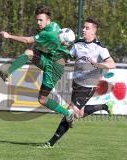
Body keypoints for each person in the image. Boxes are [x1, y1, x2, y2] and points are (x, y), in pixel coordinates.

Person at [40, 17, 116, 148]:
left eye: (87, 28)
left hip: (88, 86)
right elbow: (68, 58)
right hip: (76, 83)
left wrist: (97, 64)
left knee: (70, 113)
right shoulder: (77, 44)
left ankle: (50, 143)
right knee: (79, 113)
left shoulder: (100, 48)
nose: (84, 29)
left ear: (94, 31)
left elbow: (112, 64)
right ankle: (105, 106)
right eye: (83, 27)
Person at [0, 5, 74, 124]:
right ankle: (6, 74)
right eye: (37, 19)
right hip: (49, 58)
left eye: (41, 20)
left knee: (42, 100)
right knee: (28, 53)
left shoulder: (47, 34)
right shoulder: (54, 25)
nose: (38, 22)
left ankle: (68, 114)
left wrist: (9, 36)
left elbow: (27, 40)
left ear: (48, 20)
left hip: (55, 68)